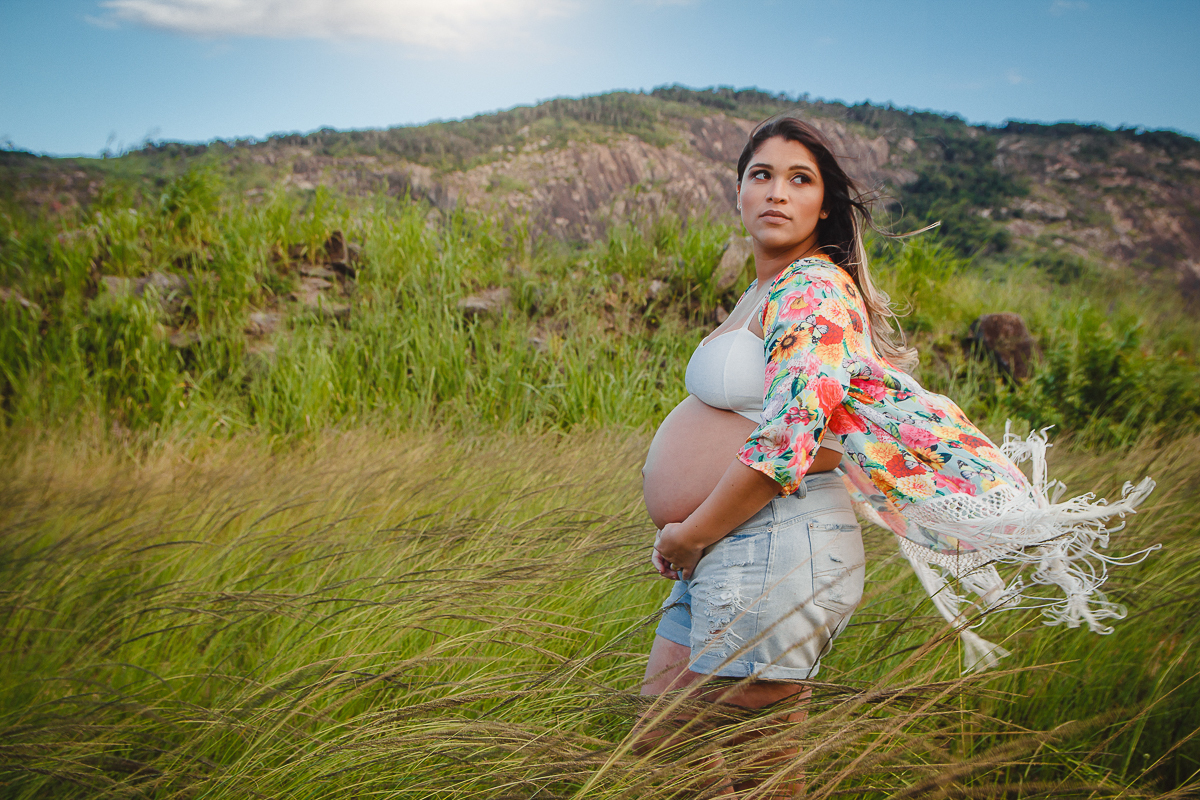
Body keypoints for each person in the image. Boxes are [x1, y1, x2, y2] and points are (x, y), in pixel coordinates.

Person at [634, 113, 1155, 793]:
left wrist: (688, 532)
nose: (776, 192)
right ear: (739, 190)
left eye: (800, 179)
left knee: (761, 775)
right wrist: (690, 531)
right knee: (659, 746)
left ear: (825, 205)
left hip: (765, 545)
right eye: (761, 175)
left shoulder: (813, 288)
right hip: (722, 545)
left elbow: (792, 441)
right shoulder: (762, 290)